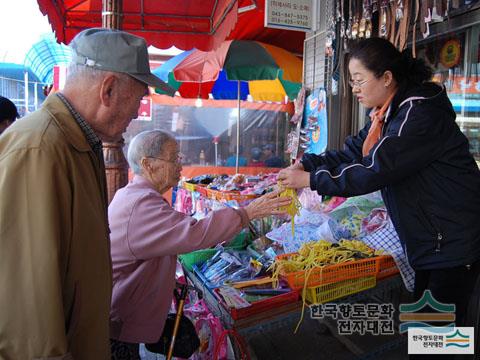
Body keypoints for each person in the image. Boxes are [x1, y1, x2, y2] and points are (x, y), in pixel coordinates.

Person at [278, 38, 480, 332]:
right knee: (427, 332)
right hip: (431, 240)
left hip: (450, 240)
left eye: (359, 80)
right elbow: (352, 153)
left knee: (437, 336)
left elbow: (375, 169)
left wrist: (310, 180)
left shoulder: (418, 114)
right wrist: (308, 164)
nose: (354, 89)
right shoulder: (385, 116)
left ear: (386, 78)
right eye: (351, 81)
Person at [0, 28, 174, 360]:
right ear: (108, 89)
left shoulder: (74, 143)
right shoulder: (39, 149)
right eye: (139, 98)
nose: (138, 111)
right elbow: (25, 305)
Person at [108, 130, 291, 359]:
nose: (180, 166)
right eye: (174, 158)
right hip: (119, 320)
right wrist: (248, 213)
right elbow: (194, 233)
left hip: (122, 313)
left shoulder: (134, 196)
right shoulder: (140, 205)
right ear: (148, 164)